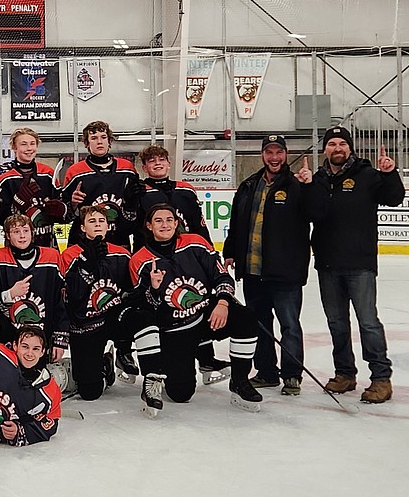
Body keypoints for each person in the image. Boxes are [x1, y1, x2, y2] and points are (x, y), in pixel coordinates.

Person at [128, 204, 262, 416]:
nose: (165, 225)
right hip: (174, 329)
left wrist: (223, 302)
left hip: (205, 316)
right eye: (159, 221)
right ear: (149, 226)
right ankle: (170, 366)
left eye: (169, 220)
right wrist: (153, 289)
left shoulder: (195, 243)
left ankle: (240, 381)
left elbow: (221, 276)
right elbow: (144, 308)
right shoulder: (140, 260)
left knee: (246, 318)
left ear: (176, 222)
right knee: (180, 394)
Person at [304, 126, 406, 404]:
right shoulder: (319, 179)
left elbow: (394, 198)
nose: (337, 148)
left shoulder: (367, 175)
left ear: (350, 148)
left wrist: (389, 174)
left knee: (368, 323)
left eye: (342, 144)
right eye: (332, 144)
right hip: (327, 264)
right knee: (337, 323)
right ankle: (345, 374)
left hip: (360, 264)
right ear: (325, 149)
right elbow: (311, 213)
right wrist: (307, 187)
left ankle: (381, 378)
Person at [222, 134, 313, 396]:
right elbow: (238, 223)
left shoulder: (296, 185)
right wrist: (230, 251)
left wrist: (308, 186)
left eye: (279, 153)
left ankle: (292, 375)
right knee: (259, 324)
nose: (274, 158)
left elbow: (314, 213)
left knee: (289, 325)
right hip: (252, 271)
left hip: (285, 273)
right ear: (263, 155)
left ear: (285, 154)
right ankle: (267, 371)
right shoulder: (249, 185)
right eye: (270, 152)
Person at [136, 143, 229, 381]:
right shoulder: (140, 191)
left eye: (161, 159)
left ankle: (206, 359)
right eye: (151, 161)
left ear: (169, 163)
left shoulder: (186, 189)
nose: (157, 163)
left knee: (198, 299)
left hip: (190, 254)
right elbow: (136, 228)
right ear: (145, 167)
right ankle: (167, 357)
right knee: (169, 307)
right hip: (157, 258)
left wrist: (209, 250)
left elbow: (198, 223)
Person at [57, 205, 134, 401]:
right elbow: (70, 295)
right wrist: (87, 263)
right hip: (85, 324)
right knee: (90, 392)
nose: (97, 224)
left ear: (108, 226)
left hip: (112, 318)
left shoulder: (122, 254)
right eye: (92, 221)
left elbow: (130, 291)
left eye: (101, 221)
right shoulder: (69, 255)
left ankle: (127, 355)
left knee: (140, 318)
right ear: (82, 228)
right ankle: (105, 365)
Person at [0, 213, 65, 360]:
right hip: (7, 337)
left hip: (42, 337)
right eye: (16, 231)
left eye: (25, 230)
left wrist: (60, 339)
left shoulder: (52, 257)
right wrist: (9, 294)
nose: (22, 236)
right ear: (7, 235)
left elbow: (61, 302)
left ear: (33, 233)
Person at [54, 121, 140, 248]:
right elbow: (65, 217)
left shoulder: (127, 169)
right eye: (94, 138)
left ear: (109, 141)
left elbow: (135, 208)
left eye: (103, 137)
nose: (99, 142)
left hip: (119, 239)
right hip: (83, 241)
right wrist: (72, 204)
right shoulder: (75, 171)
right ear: (86, 143)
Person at [0, 128, 67, 249]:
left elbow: (63, 210)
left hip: (47, 242)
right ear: (14, 147)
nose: (29, 148)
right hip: (16, 244)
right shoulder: (3, 176)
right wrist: (16, 204)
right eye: (23, 144)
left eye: (32, 144)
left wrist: (60, 210)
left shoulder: (48, 173)